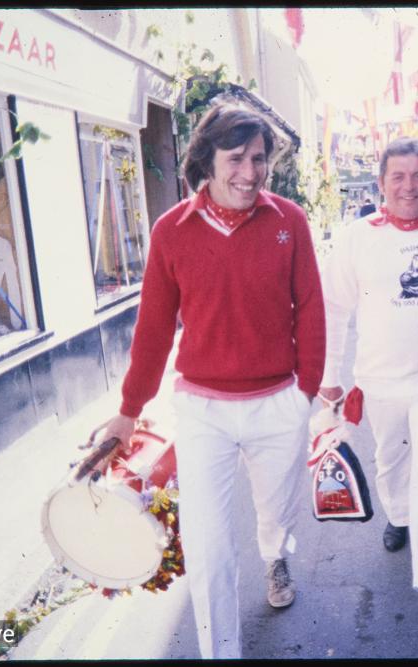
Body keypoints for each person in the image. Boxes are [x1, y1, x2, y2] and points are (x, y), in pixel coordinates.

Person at [103, 105, 326, 659]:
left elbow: (312, 309)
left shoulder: (288, 221)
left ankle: (275, 553)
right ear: (207, 160)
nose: (250, 172)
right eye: (237, 159)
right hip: (204, 409)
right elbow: (153, 329)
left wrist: (306, 393)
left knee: (276, 513)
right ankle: (221, 652)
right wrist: (129, 410)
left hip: (278, 402)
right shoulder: (172, 231)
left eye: (259, 159)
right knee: (207, 545)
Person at [319, 138, 418, 625]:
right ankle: (399, 513)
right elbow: (334, 308)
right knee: (391, 460)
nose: (408, 186)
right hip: (379, 379)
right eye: (398, 177)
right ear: (382, 182)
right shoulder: (358, 236)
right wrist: (329, 377)